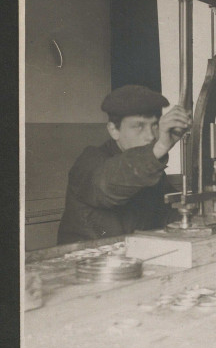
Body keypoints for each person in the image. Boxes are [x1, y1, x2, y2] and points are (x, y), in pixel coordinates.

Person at [57, 85, 191, 244]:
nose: (150, 136)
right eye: (138, 126)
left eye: (154, 125)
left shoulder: (148, 169)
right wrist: (160, 147)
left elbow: (168, 213)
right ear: (114, 130)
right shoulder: (90, 162)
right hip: (87, 261)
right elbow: (110, 184)